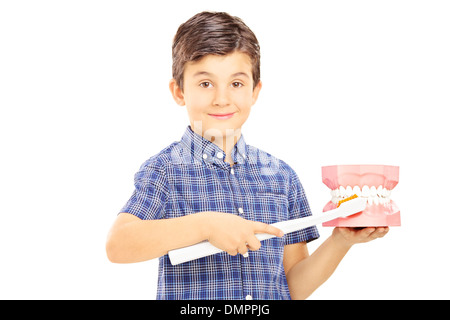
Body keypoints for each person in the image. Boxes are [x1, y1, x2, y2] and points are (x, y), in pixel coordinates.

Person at [106, 11, 389, 300]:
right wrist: (206, 225)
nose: (222, 98)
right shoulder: (166, 169)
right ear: (179, 91)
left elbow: (291, 287)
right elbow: (118, 244)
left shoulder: (282, 176)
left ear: (255, 91)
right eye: (205, 83)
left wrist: (340, 241)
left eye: (236, 83)